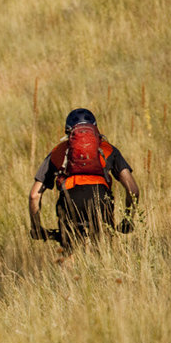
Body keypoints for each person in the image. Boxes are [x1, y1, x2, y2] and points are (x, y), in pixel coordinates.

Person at [29, 108, 140, 251]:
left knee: (70, 254)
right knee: (103, 251)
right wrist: (128, 219)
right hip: (100, 200)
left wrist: (36, 227)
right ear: (95, 128)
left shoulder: (58, 152)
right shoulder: (108, 149)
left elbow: (34, 196)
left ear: (68, 131)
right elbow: (133, 190)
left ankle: (68, 265)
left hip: (70, 201)